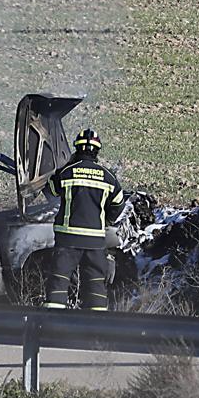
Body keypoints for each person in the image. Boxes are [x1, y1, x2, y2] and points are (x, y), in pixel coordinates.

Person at [43, 128, 125, 311]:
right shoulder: (108, 177)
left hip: (68, 241)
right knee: (96, 286)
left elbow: (49, 192)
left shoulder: (67, 172)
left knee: (58, 282)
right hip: (95, 242)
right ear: (97, 150)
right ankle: (96, 330)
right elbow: (119, 205)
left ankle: (50, 327)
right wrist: (105, 220)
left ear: (77, 149)